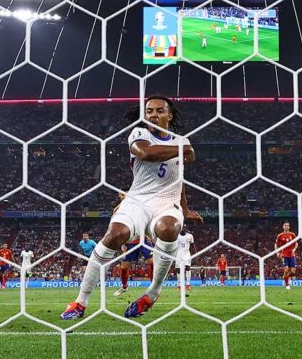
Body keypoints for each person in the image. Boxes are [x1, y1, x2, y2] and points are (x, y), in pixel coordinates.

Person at [61, 96, 202, 320]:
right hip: (138, 200)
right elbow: (147, 153)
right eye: (149, 111)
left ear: (170, 115)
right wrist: (183, 149)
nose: (153, 115)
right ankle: (80, 301)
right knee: (116, 235)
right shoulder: (139, 134)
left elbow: (180, 178)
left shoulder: (180, 140)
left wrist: (184, 209)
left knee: (169, 228)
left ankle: (152, 294)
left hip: (167, 202)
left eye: (159, 110)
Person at [274, 222, 297, 290]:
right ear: (283, 227)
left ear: (289, 227)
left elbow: (296, 243)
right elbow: (276, 244)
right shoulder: (280, 235)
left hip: (292, 255)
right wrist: (277, 252)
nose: (286, 226)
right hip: (284, 254)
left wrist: (294, 249)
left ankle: (285, 277)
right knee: (286, 269)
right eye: (285, 225)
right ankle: (287, 284)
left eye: (288, 225)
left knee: (293, 271)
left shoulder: (292, 235)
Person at [176, 228, 195, 292]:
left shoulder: (190, 236)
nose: (183, 229)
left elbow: (192, 245)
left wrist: (195, 253)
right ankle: (179, 285)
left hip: (187, 254)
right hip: (178, 254)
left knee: (188, 267)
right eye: (181, 228)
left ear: (186, 229)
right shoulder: (176, 236)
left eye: (184, 228)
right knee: (179, 270)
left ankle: (188, 284)